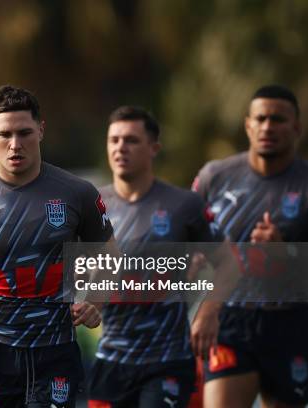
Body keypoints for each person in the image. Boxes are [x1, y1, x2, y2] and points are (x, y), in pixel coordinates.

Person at [0, 85, 113, 408]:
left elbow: (110, 255)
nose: (15, 145)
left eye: (24, 132)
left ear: (41, 130)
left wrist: (97, 300)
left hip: (54, 348)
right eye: (5, 134)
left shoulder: (76, 194)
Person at [86, 106, 224, 408]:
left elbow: (230, 263)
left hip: (167, 360)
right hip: (111, 359)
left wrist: (209, 311)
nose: (120, 147)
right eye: (114, 140)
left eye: (131, 140)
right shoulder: (93, 205)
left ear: (154, 148)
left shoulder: (183, 205)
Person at [193, 85, 308, 407]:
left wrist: (287, 251)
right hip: (232, 319)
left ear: (297, 128)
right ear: (248, 124)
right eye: (260, 119)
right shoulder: (214, 177)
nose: (267, 127)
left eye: (278, 119)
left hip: (293, 322)